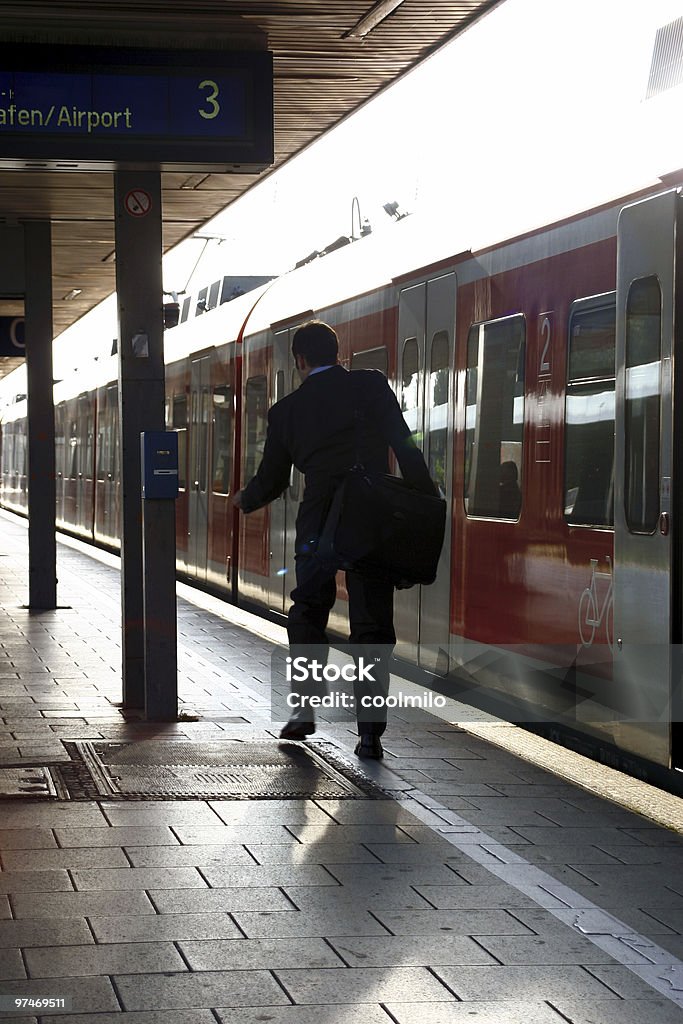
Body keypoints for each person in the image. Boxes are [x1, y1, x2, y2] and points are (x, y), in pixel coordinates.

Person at [233, 320, 438, 759]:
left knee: (308, 610)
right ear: (337, 353)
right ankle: (369, 734)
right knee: (372, 625)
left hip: (319, 519)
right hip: (373, 515)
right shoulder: (370, 387)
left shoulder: (286, 411)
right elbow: (405, 444)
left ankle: (304, 709)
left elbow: (271, 480)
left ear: (301, 361)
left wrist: (245, 500)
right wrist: (425, 495)